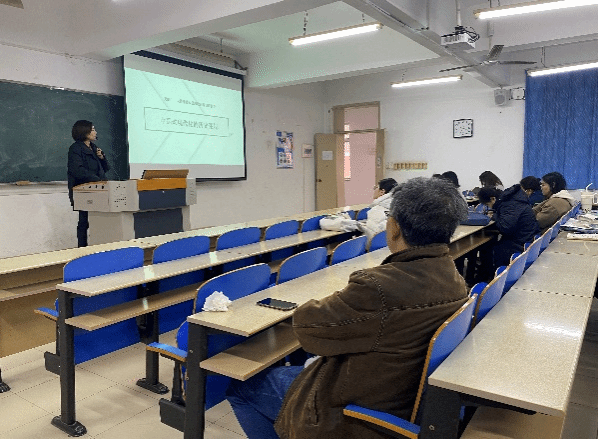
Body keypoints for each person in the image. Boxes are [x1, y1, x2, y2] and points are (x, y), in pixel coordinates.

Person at [226, 177, 470, 439]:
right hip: (398, 395)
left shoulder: (377, 286)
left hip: (351, 408)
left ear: (394, 227)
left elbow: (308, 330)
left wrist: (338, 298)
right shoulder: (454, 277)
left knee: (243, 388)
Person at [67, 120, 110, 247]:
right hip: (84, 190)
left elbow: (106, 168)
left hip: (98, 189)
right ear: (84, 131)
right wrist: (96, 180)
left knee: (98, 220)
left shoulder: (94, 147)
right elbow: (77, 170)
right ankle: (82, 248)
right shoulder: (75, 148)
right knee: (84, 221)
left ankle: (98, 246)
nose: (95, 132)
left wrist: (102, 158)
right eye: (92, 130)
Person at [478, 185, 539, 268]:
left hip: (521, 242)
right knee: (490, 243)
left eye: (488, 204)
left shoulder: (509, 205)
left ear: (493, 199)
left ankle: (491, 273)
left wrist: (494, 216)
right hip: (527, 236)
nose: (489, 207)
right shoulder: (513, 200)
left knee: (489, 247)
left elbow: (505, 228)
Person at [358, 178, 397, 245]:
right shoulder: (400, 208)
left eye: (376, 188)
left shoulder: (376, 210)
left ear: (382, 191)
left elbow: (371, 238)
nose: (374, 190)